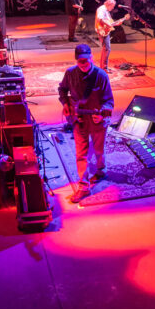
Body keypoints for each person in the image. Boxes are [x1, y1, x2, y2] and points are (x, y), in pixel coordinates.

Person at [58, 44, 114, 204]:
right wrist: (65, 104)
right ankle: (83, 186)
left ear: (92, 58)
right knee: (81, 154)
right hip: (79, 120)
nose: (83, 64)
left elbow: (109, 101)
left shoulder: (101, 75)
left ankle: (101, 171)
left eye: (86, 61)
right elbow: (62, 89)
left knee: (98, 150)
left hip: (97, 120)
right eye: (80, 61)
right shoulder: (70, 73)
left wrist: (102, 115)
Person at [95, 0, 129, 71]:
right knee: (107, 49)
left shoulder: (106, 10)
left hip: (105, 30)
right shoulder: (102, 9)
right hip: (102, 31)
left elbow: (111, 23)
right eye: (112, 6)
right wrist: (108, 24)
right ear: (109, 5)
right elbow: (100, 19)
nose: (113, 8)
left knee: (106, 49)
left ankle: (103, 67)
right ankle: (104, 68)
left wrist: (118, 22)